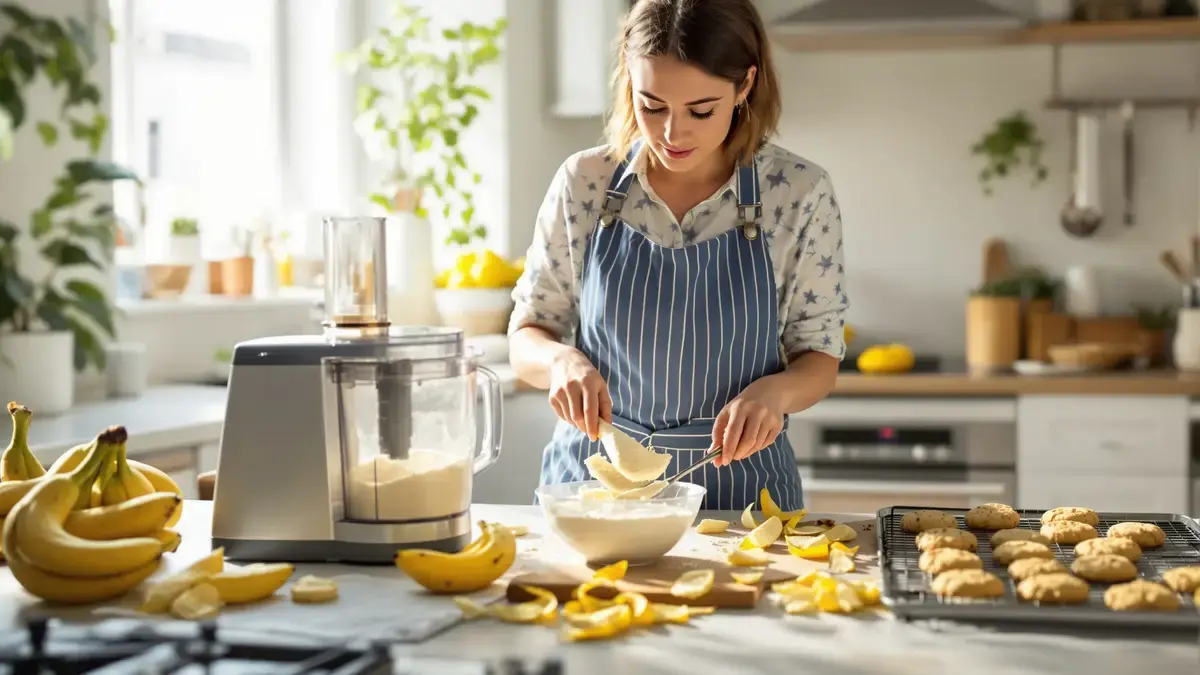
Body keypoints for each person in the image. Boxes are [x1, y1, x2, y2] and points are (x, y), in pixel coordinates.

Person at [507, 0, 847, 511]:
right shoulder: (586, 183)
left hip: (742, 496)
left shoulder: (798, 193)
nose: (672, 133)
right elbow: (527, 333)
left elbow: (818, 355)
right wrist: (559, 362)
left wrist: (775, 395)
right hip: (594, 490)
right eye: (652, 105)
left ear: (745, 85)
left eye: (701, 110)